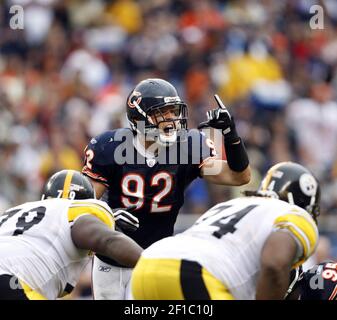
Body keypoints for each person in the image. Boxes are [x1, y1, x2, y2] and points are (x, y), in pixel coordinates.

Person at [82, 78, 251, 299]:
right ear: (139, 117)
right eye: (163, 113)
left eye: (174, 111)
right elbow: (84, 205)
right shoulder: (109, 146)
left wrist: (230, 134)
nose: (172, 119)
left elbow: (239, 176)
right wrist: (108, 215)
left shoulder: (187, 146)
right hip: (111, 260)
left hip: (157, 257)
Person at [131, 161, 320, 300]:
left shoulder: (231, 205)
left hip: (148, 265)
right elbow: (274, 264)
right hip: (197, 273)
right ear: (307, 204)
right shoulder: (295, 215)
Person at [0, 170, 142, 300]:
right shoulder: (76, 211)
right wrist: (151, 262)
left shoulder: (15, 211)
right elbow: (106, 240)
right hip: (12, 281)